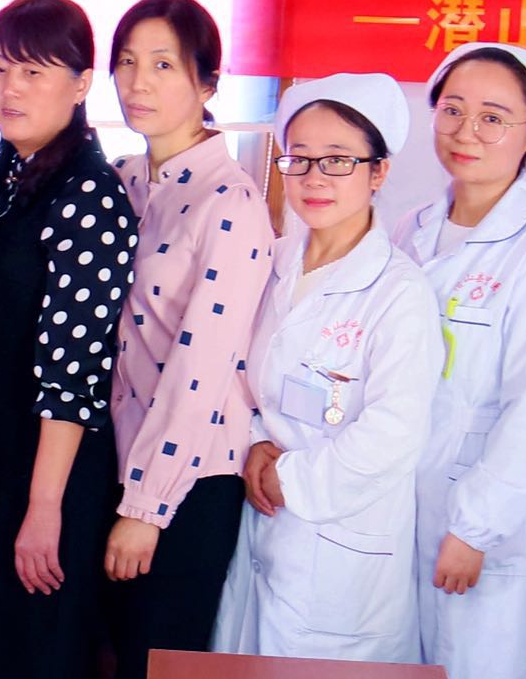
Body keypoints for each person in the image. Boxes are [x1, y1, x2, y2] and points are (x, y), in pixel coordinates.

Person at [211, 74, 438, 664]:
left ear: (378, 171)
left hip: (341, 540)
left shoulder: (399, 292)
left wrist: (292, 479)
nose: (314, 178)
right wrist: (257, 443)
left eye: (338, 160)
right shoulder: (274, 260)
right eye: (300, 158)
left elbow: (395, 432)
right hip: (262, 516)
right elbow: (246, 378)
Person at [394, 43, 526, 679]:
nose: (466, 132)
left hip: (477, 515)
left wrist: (474, 529)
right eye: (452, 110)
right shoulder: (410, 230)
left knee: (473, 661)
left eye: (493, 118)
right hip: (399, 499)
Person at [0, 0, 128, 679]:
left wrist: (44, 507)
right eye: (0, 69)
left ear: (81, 85)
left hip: (47, 470)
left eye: (33, 71)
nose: (11, 88)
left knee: (33, 653)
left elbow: (75, 371)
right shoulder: (10, 173)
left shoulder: (89, 193)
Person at [102, 0, 272, 678]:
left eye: (163, 65)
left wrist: (146, 507)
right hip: (122, 461)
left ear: (207, 84)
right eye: (126, 62)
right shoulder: (126, 179)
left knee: (159, 663)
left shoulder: (230, 203)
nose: (138, 82)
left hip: (188, 481)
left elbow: (200, 370)